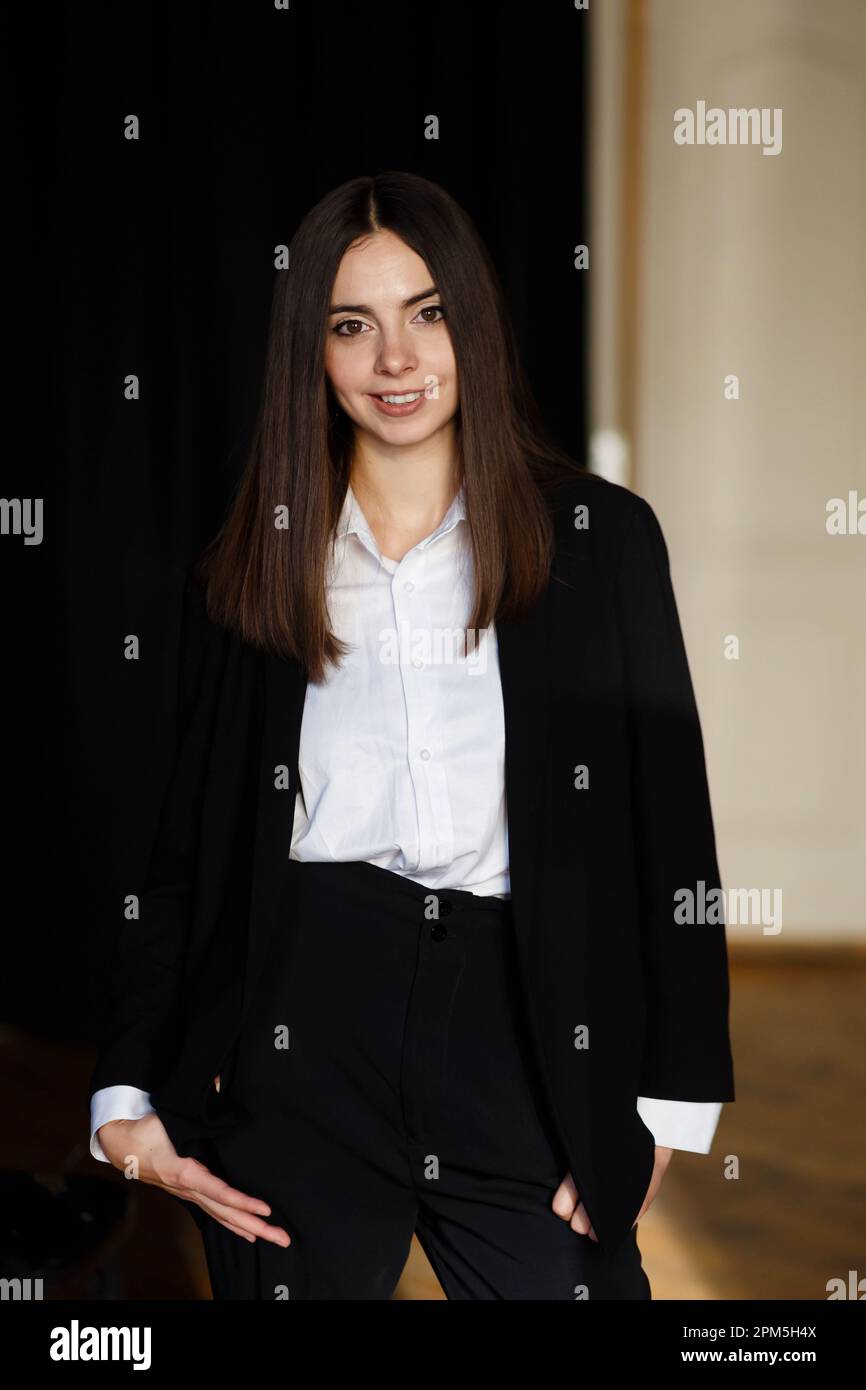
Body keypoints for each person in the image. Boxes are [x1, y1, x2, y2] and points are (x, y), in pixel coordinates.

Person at [88, 171, 734, 1300]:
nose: (395, 360)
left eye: (425, 313)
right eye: (352, 326)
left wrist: (665, 1108)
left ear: (471, 323)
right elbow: (185, 861)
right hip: (301, 1031)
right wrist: (127, 1094)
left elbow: (670, 840)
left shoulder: (603, 543)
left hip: (520, 1031)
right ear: (313, 352)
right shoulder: (246, 571)